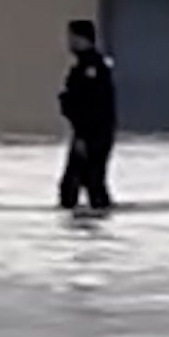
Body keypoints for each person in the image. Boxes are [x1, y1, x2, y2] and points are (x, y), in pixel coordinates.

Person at [57, 19, 116, 211]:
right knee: (84, 182)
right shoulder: (83, 67)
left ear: (82, 39)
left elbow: (93, 106)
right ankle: (91, 217)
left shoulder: (93, 68)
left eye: (72, 37)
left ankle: (94, 219)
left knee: (85, 182)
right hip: (89, 132)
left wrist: (83, 136)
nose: (69, 43)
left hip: (92, 134)